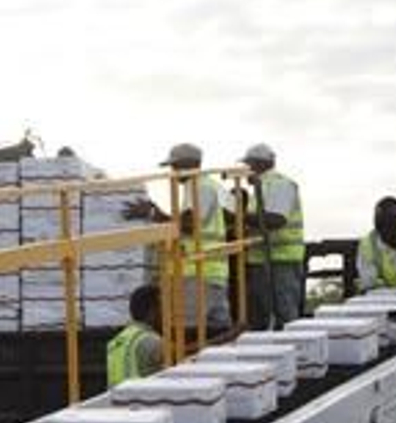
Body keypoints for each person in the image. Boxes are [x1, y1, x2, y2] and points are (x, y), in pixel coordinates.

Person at [126, 142, 231, 336]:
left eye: (174, 166)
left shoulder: (199, 186)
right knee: (217, 335)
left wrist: (152, 212)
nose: (172, 171)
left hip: (198, 275)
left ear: (188, 164)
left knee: (188, 334)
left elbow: (190, 225)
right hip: (208, 274)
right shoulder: (202, 186)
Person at [239, 143, 305, 328]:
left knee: (285, 314)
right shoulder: (261, 187)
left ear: (258, 164)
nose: (245, 171)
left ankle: (295, 353)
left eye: (247, 165)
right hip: (262, 260)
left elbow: (276, 219)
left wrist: (240, 217)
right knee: (263, 313)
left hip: (281, 259)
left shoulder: (279, 184)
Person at [106, 285, 165, 385]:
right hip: (142, 399)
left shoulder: (116, 341)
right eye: (162, 308)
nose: (166, 314)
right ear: (152, 311)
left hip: (118, 399)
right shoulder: (153, 342)